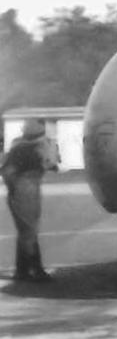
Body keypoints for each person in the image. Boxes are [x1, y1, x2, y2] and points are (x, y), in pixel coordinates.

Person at [0, 119, 59, 282]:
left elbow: (7, 171)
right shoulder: (30, 149)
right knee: (29, 231)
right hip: (26, 191)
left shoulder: (19, 147)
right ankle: (35, 269)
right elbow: (9, 172)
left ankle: (23, 269)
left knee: (26, 232)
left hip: (23, 190)